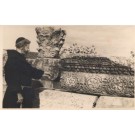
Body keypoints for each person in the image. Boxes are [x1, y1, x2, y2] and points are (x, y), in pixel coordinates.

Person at [3, 37, 44, 108]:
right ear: (22, 47)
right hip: (14, 95)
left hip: (18, 93)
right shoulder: (14, 58)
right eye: (27, 47)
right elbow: (12, 78)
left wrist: (42, 72)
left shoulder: (19, 58)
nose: (29, 50)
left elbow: (30, 71)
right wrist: (18, 93)